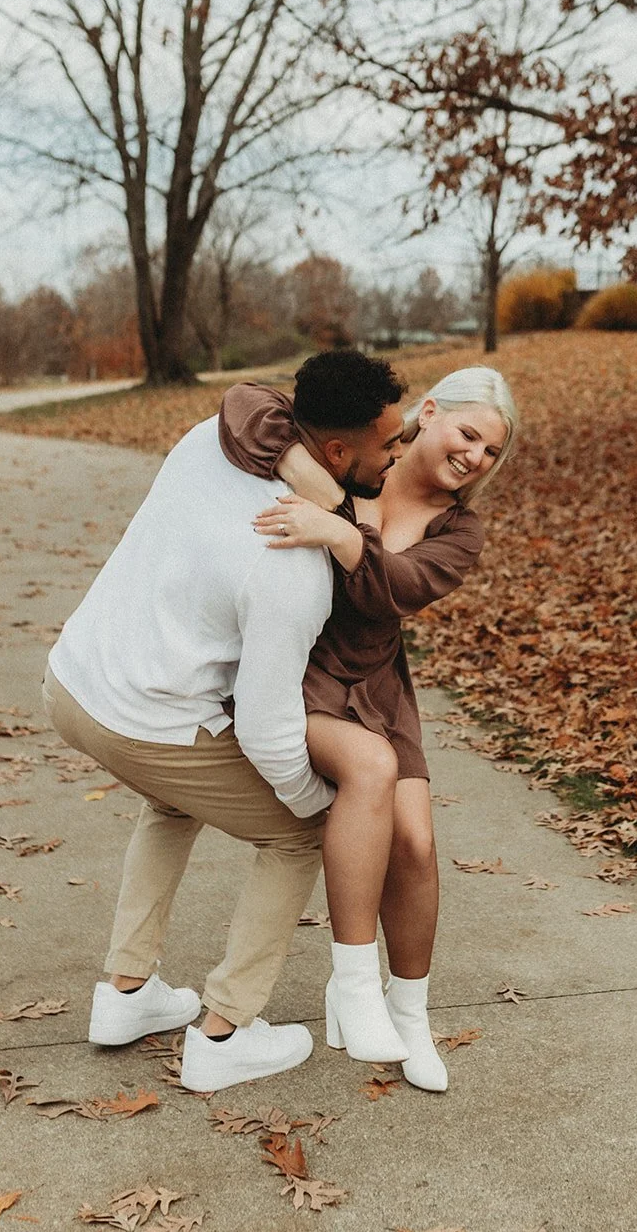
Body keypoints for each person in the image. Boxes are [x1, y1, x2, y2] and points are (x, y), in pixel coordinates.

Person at [42, 349, 407, 1092]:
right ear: (337, 451)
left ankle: (126, 994)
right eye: (388, 445)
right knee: (299, 833)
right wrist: (315, 806)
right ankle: (225, 1031)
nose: (398, 456)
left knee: (170, 801)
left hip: (71, 678)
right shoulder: (291, 565)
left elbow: (246, 402)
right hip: (142, 716)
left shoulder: (207, 439)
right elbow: (267, 733)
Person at [218, 365, 517, 1092]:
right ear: (432, 410)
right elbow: (245, 403)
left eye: (490, 452)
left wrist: (338, 535)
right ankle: (351, 982)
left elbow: (398, 591)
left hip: (378, 682)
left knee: (415, 841)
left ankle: (407, 1011)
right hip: (299, 671)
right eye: (468, 434)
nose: (474, 457)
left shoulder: (459, 529)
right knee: (369, 776)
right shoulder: (358, 458)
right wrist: (321, 494)